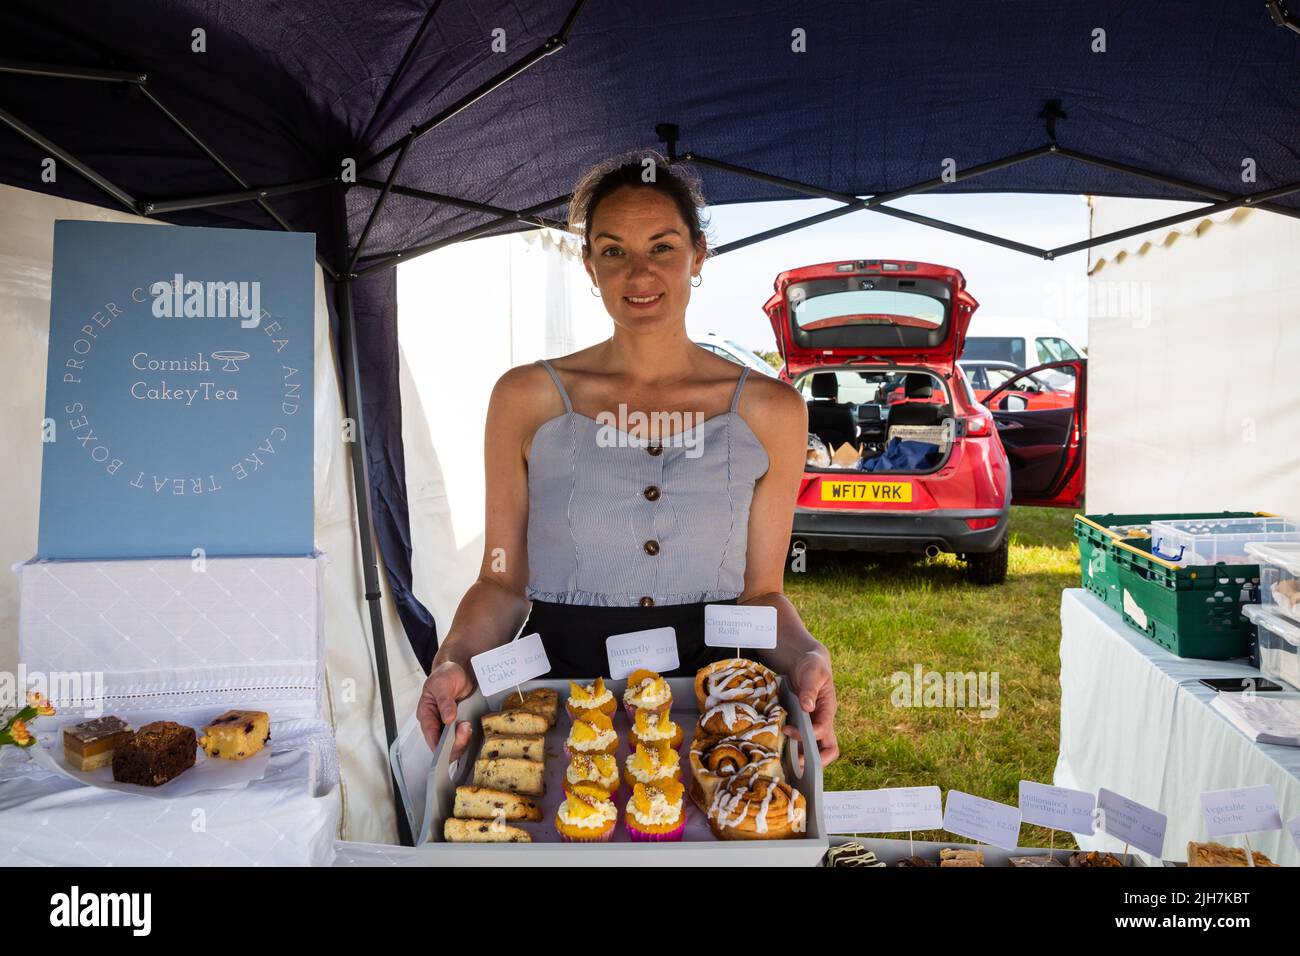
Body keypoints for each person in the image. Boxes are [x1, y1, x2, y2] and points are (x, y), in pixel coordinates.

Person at [415, 149, 839, 767]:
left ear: (699, 255)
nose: (639, 273)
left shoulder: (771, 410)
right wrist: (453, 662)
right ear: (588, 265)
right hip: (558, 693)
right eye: (613, 251)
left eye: (662, 247)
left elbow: (760, 595)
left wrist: (805, 656)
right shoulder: (525, 397)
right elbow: (502, 581)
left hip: (715, 701)